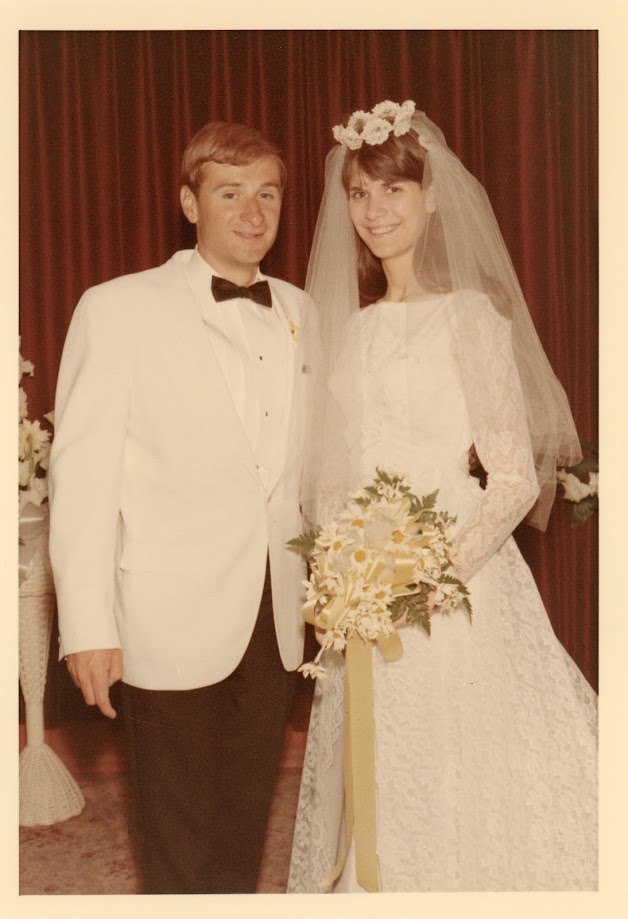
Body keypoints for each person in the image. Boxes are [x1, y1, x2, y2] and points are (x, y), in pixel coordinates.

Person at [288, 101, 597, 892]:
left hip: (456, 588)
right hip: (366, 591)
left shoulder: (472, 319)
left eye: (393, 191)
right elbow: (328, 474)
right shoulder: (348, 331)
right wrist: (345, 569)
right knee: (386, 766)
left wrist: (422, 572)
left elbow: (516, 477)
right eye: (359, 193)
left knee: (464, 768)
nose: (375, 211)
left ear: (431, 197)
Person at [48, 120, 317, 894]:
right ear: (188, 202)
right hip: (165, 614)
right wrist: (90, 626)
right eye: (230, 192)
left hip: (275, 613)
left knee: (242, 827)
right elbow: (85, 477)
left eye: (268, 192)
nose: (253, 211)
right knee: (175, 837)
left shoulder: (305, 308)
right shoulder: (117, 308)